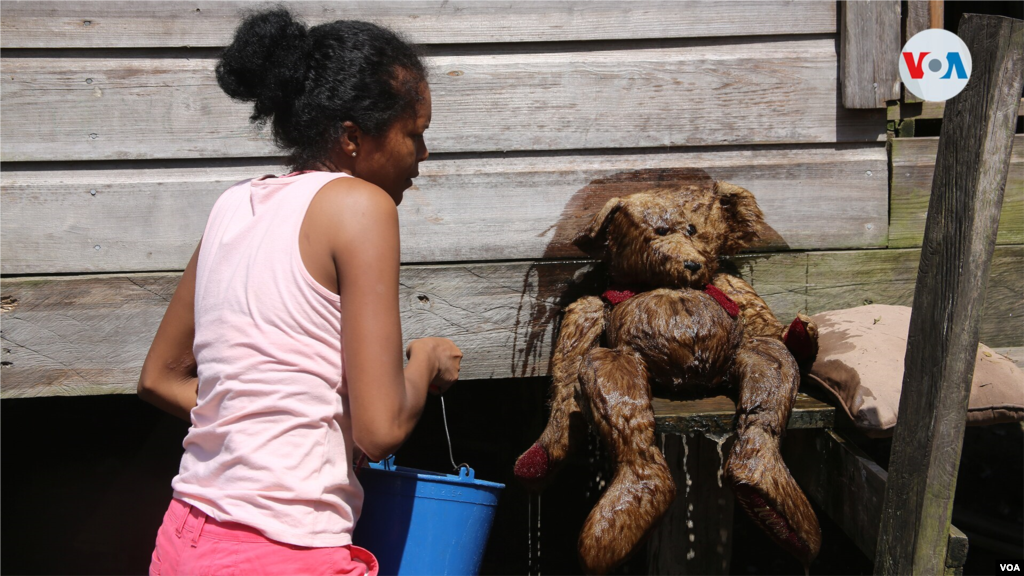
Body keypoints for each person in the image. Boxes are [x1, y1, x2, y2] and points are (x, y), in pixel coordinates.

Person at [138, 8, 462, 575]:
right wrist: (424, 360)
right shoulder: (361, 207)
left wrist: (266, 424)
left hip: (183, 537)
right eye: (415, 134)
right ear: (352, 138)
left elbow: (160, 377)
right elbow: (381, 428)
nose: (424, 155)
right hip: (283, 551)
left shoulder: (233, 206)